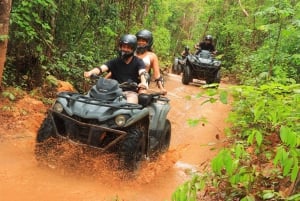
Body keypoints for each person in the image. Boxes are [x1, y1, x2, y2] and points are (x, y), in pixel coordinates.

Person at [84, 34, 148, 103]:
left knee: (130, 105)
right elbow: (101, 68)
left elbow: (142, 72)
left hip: (129, 92)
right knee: (89, 98)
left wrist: (143, 82)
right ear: (120, 47)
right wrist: (91, 72)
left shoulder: (138, 62)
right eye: (123, 46)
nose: (125, 49)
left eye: (128, 47)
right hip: (112, 91)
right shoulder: (115, 61)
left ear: (133, 49)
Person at [135, 29, 167, 95]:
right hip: (126, 79)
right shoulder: (131, 52)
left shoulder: (152, 56)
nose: (141, 42)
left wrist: (161, 88)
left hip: (142, 84)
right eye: (139, 40)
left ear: (148, 42)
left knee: (142, 97)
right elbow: (117, 66)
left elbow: (157, 75)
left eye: (143, 40)